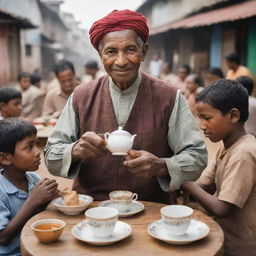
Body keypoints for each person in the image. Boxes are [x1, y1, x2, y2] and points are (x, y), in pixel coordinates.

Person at [44, 9, 207, 203]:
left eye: (130, 50)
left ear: (143, 52)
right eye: (111, 52)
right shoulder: (82, 95)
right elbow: (51, 155)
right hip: (92, 207)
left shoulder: (168, 96)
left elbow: (197, 156)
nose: (121, 62)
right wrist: (75, 150)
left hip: (151, 206)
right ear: (100, 55)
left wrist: (162, 166)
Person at [181, 79, 256, 256]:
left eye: (207, 118)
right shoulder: (227, 146)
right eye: (200, 118)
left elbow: (222, 208)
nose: (202, 126)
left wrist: (183, 181)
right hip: (227, 240)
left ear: (233, 116)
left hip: (242, 247)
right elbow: (206, 184)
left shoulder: (244, 153)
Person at [0, 118, 58, 256]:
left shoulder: (33, 179)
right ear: (5, 159)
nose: (38, 152)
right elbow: (3, 238)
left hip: (34, 246)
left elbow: (37, 215)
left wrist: (49, 198)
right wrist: (33, 201)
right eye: (29, 147)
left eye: (36, 144)